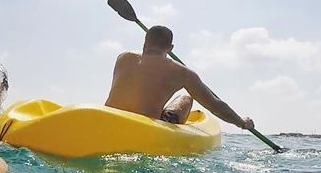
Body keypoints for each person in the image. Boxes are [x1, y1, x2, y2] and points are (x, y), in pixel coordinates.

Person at [105, 25, 255, 131]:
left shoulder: (123, 58)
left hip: (109, 120)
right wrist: (241, 123)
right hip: (146, 128)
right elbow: (215, 106)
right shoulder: (182, 73)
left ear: (145, 41)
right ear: (170, 48)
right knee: (186, 98)